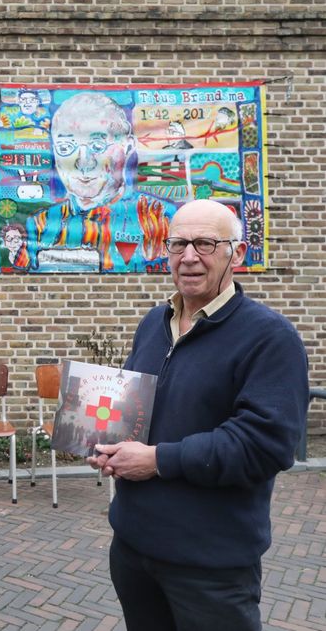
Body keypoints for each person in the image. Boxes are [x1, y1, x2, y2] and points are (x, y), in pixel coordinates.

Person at [86, 199, 308, 631]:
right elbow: (135, 409)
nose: (189, 256)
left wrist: (156, 460)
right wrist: (104, 440)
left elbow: (264, 445)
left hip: (209, 565)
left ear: (236, 254)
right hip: (134, 550)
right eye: (178, 244)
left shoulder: (270, 338)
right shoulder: (154, 323)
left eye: (205, 243)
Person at [26, 91, 174, 272]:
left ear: (127, 146)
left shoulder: (158, 217)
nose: (83, 163)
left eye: (97, 146)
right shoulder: (40, 225)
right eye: (65, 148)